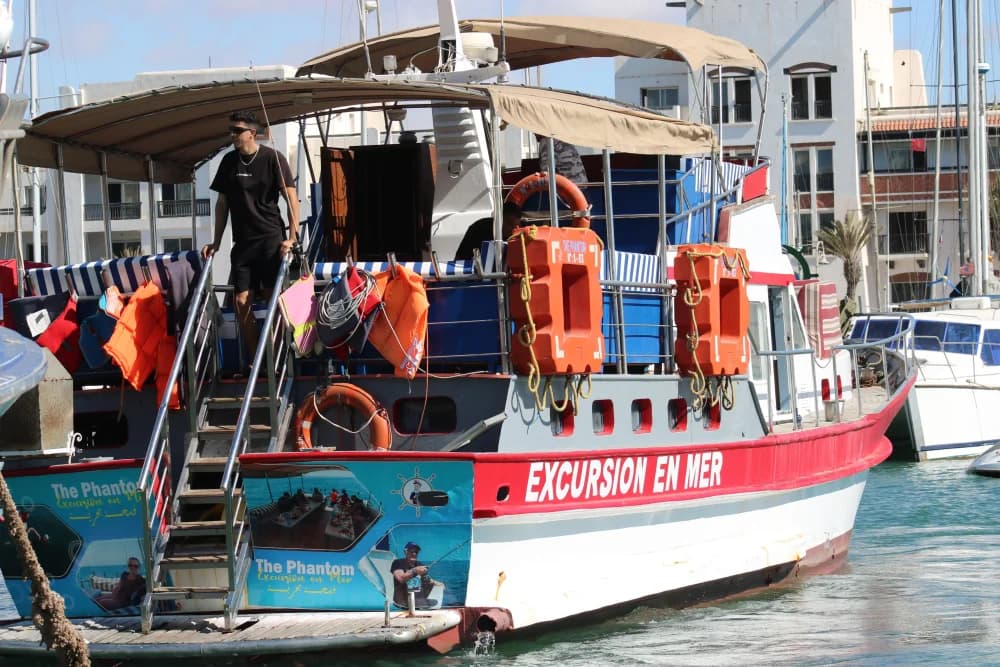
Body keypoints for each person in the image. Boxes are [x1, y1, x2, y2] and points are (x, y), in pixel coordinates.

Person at [202, 110, 300, 364]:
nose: (232, 135)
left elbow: (291, 199)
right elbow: (222, 204)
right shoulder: (228, 162)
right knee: (241, 300)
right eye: (230, 130)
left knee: (272, 299)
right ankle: (257, 357)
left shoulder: (272, 158)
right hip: (242, 243)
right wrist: (217, 242)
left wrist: (293, 236)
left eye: (237, 130)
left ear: (252, 133)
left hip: (270, 238)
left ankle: (275, 356)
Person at [455, 202, 523, 261]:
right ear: (499, 220)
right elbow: (460, 258)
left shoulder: (521, 235)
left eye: (517, 226)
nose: (513, 229)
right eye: (509, 224)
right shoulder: (479, 229)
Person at [390, 541, 440, 608]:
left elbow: (427, 579)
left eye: (416, 552)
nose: (414, 554)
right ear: (405, 552)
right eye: (411, 551)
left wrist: (437, 583)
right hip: (402, 604)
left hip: (418, 603)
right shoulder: (398, 563)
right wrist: (415, 570)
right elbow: (400, 578)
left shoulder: (420, 564)